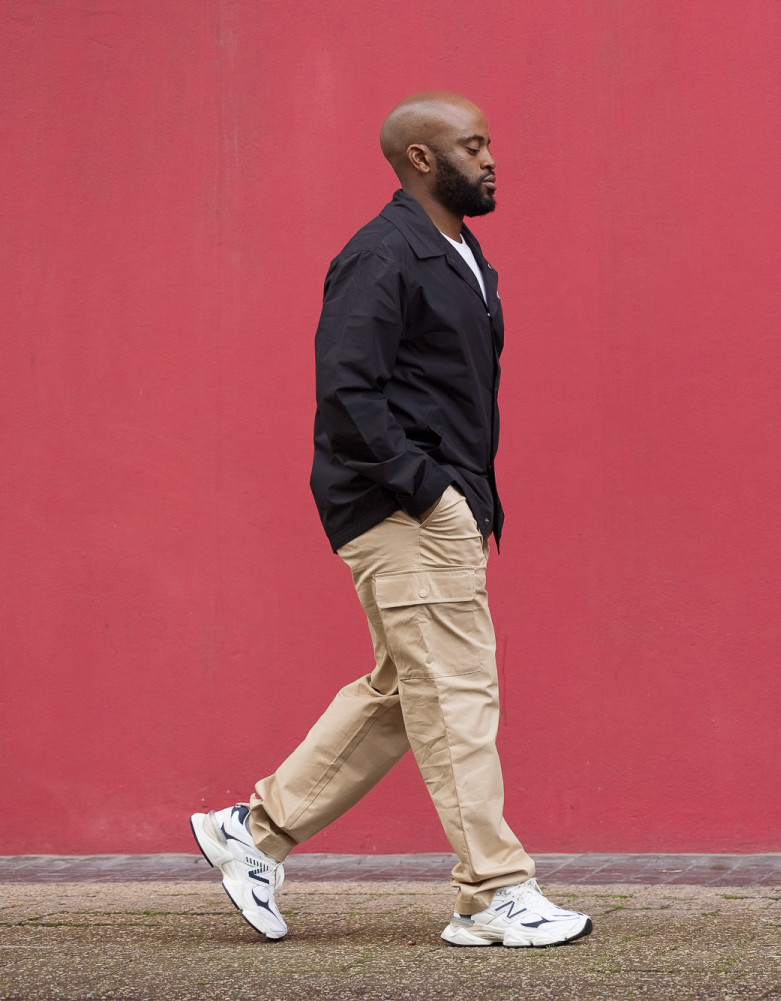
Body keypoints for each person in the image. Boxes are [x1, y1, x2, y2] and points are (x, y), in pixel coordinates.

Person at [189, 91, 590, 949]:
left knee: (408, 690)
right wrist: (431, 491)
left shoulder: (455, 250)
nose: (489, 159)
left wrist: (461, 498)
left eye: (489, 144)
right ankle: (494, 891)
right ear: (420, 158)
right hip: (402, 505)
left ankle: (250, 832)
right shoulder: (383, 254)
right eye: (472, 146)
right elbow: (348, 395)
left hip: (436, 504)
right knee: (457, 692)